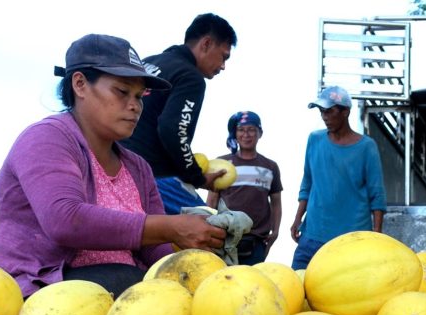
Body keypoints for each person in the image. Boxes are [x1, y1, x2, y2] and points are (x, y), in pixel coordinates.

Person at [0, 34, 227, 297]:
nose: (135, 106)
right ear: (80, 84)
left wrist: (195, 260)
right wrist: (172, 226)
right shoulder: (47, 138)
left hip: (114, 293)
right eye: (122, 92)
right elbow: (65, 219)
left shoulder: (138, 168)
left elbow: (154, 250)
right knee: (126, 279)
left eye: (140, 96)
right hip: (36, 291)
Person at [122, 13, 237, 214]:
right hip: (154, 177)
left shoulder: (148, 63)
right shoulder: (190, 77)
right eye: (223, 56)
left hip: (116, 170)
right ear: (206, 44)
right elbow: (173, 130)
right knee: (213, 230)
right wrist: (197, 177)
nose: (223, 66)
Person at [290, 86, 386, 271]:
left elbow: (377, 196)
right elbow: (307, 183)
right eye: (321, 111)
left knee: (348, 293)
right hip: (313, 235)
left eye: (329, 111)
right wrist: (297, 219)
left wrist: (376, 237)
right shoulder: (315, 140)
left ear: (345, 112)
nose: (324, 116)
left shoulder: (367, 147)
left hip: (352, 238)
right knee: (297, 284)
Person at [206, 111, 283, 265]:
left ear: (260, 133)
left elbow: (276, 203)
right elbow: (212, 200)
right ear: (235, 134)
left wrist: (275, 232)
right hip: (224, 237)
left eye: (251, 129)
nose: (246, 135)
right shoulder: (222, 164)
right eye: (241, 130)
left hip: (256, 241)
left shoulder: (270, 166)